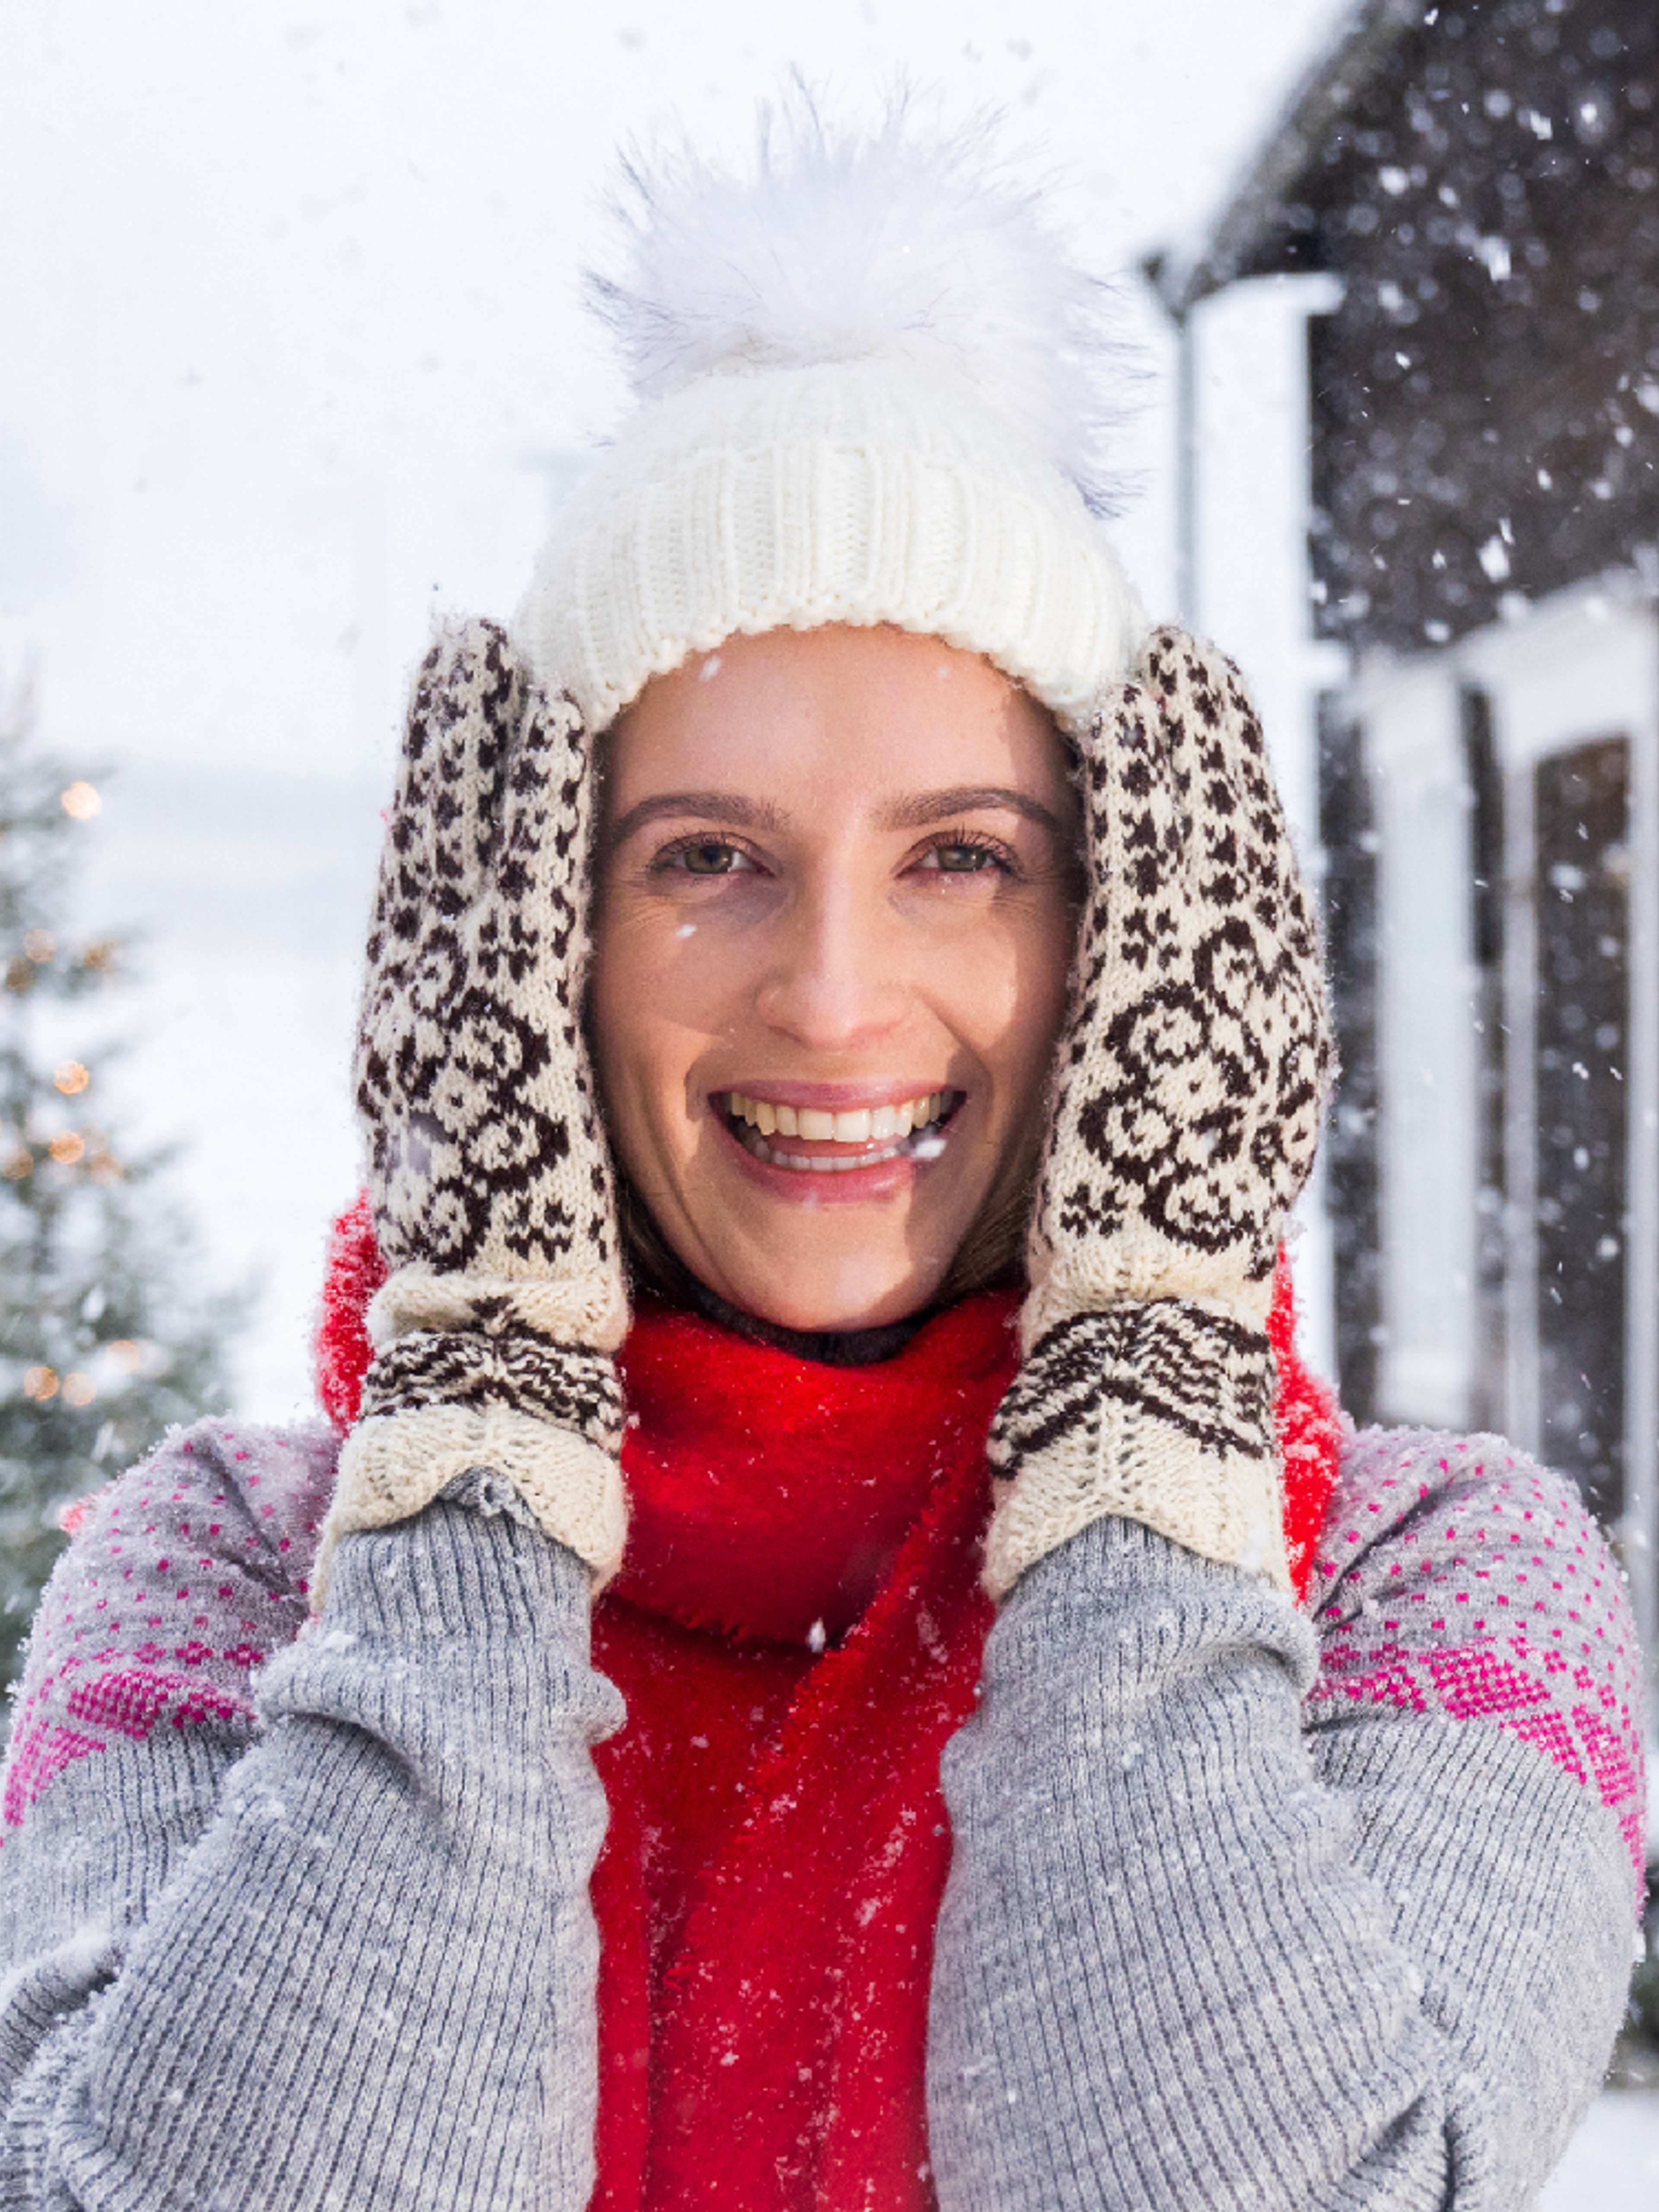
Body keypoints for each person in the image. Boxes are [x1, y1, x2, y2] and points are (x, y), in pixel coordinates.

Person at [0, 111, 1644, 2212]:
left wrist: (1148, 1371)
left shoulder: (1427, 1583)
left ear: (1133, 930)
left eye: (965, 858)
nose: (839, 997)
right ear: (530, 937)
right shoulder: (235, 1580)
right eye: (710, 862)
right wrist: (491, 1394)